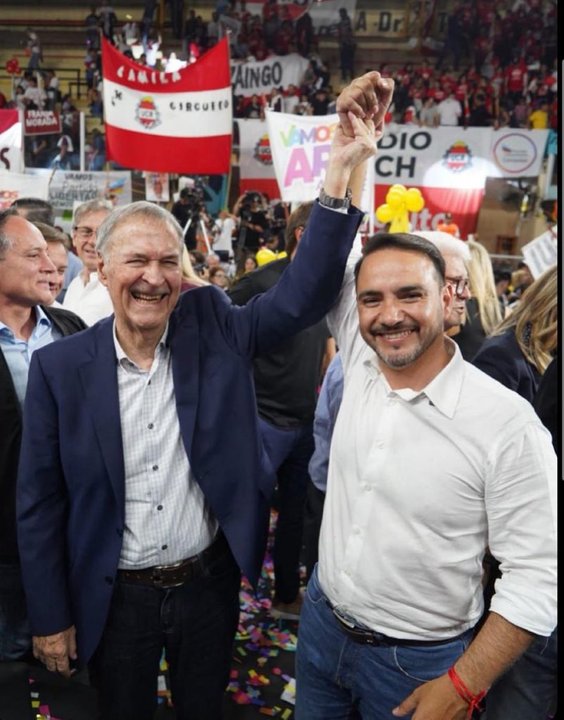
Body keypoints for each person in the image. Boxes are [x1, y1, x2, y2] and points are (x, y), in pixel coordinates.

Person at [16, 71, 390, 720]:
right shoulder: (61, 368)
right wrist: (49, 616)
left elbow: (301, 297)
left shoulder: (212, 323)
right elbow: (40, 502)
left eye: (168, 261)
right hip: (114, 596)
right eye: (136, 261)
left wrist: (340, 171)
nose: (154, 277)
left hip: (206, 587)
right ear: (101, 266)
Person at [294, 81, 556, 716]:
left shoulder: (507, 424)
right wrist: (349, 154)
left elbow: (538, 577)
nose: (390, 315)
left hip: (419, 664)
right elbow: (331, 256)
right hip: (322, 630)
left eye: (410, 295)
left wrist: (464, 683)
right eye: (373, 299)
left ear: (450, 298)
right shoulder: (362, 355)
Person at [229, 202, 332, 620]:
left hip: (306, 423)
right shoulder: (258, 282)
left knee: (295, 517)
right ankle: (227, 601)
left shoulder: (325, 285)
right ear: (303, 234)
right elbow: (221, 333)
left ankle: (286, 595)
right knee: (246, 515)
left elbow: (325, 345)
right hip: (260, 421)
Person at [0, 210, 86, 662]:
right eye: (35, 255)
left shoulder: (71, 330)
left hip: (76, 538)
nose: (52, 268)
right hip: (6, 551)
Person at [62, 199, 114, 325]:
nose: (93, 241)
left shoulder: (116, 288)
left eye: (102, 233)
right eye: (86, 232)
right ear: (74, 237)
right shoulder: (75, 284)